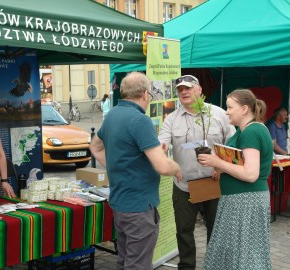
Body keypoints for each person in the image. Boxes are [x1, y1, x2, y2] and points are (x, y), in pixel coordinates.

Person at [90, 72, 180, 270]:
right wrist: (177, 168)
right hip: (139, 207)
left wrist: (118, 166)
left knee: (125, 261)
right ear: (146, 94)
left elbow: (95, 147)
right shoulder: (140, 120)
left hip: (120, 203)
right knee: (137, 265)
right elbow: (163, 166)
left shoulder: (113, 114)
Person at [158, 74, 235, 270]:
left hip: (214, 181)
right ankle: (186, 266)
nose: (184, 92)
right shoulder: (171, 119)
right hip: (185, 185)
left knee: (216, 229)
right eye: (180, 89)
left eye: (188, 88)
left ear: (199, 90)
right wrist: (167, 162)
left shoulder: (218, 114)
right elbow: (162, 145)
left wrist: (221, 166)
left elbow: (233, 144)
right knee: (184, 230)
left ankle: (214, 265)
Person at [197, 89, 273, 270]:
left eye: (230, 107)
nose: (227, 111)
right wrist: (219, 164)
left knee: (244, 255)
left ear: (245, 109)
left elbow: (250, 174)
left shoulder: (251, 132)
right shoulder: (247, 130)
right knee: (240, 253)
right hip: (240, 200)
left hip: (245, 201)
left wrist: (218, 163)